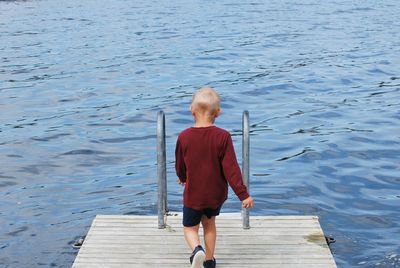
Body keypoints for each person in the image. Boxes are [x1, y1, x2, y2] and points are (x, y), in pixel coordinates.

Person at [175, 87, 254, 268]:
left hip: (194, 194)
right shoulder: (223, 137)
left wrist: (182, 176)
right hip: (215, 195)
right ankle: (209, 261)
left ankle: (197, 250)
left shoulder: (184, 137)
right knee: (209, 225)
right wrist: (244, 195)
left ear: (191, 110)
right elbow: (231, 170)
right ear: (218, 113)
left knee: (190, 228)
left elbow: (180, 163)